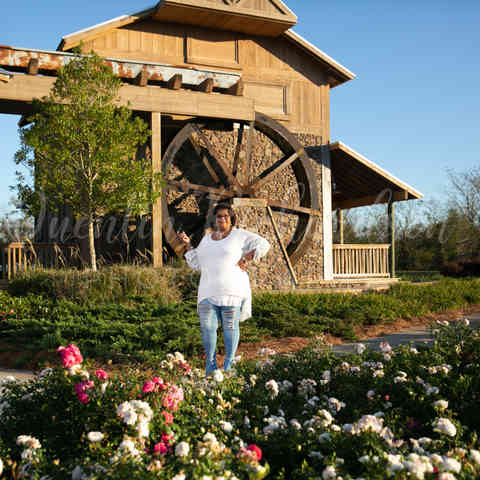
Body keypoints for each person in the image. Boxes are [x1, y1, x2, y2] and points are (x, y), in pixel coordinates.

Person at [178, 203, 270, 376]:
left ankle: (229, 366)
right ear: (214, 219)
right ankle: (210, 367)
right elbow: (197, 263)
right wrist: (188, 245)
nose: (222, 219)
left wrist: (246, 257)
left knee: (230, 326)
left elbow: (264, 244)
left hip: (232, 290)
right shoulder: (207, 239)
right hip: (207, 291)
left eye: (225, 216)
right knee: (207, 328)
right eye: (219, 216)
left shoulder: (239, 235)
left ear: (231, 218)